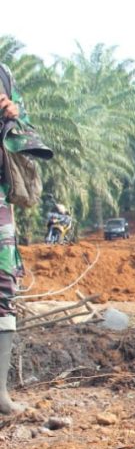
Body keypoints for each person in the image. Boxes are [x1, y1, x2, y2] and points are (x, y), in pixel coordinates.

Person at [0, 62, 51, 415]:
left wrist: (15, 115)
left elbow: (26, 129)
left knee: (4, 286)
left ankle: (0, 396)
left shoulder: (3, 74)